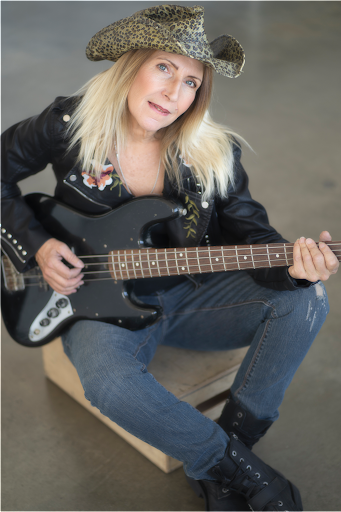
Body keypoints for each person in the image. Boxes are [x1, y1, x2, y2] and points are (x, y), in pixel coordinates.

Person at [1, 5, 339, 511]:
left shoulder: (213, 154)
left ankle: (226, 459)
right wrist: (40, 245)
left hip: (193, 295)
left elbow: (252, 234)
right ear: (131, 64)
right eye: (164, 67)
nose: (173, 92)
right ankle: (237, 470)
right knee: (109, 382)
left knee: (307, 297)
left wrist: (291, 267)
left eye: (190, 82)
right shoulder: (68, 123)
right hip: (97, 300)